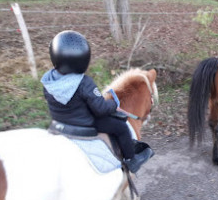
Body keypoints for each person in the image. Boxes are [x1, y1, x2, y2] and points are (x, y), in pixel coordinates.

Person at [41, 30, 153, 173]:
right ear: (83, 58)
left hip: (61, 122)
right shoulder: (84, 83)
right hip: (85, 123)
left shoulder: (48, 81)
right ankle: (131, 160)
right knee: (121, 128)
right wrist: (113, 103)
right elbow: (100, 109)